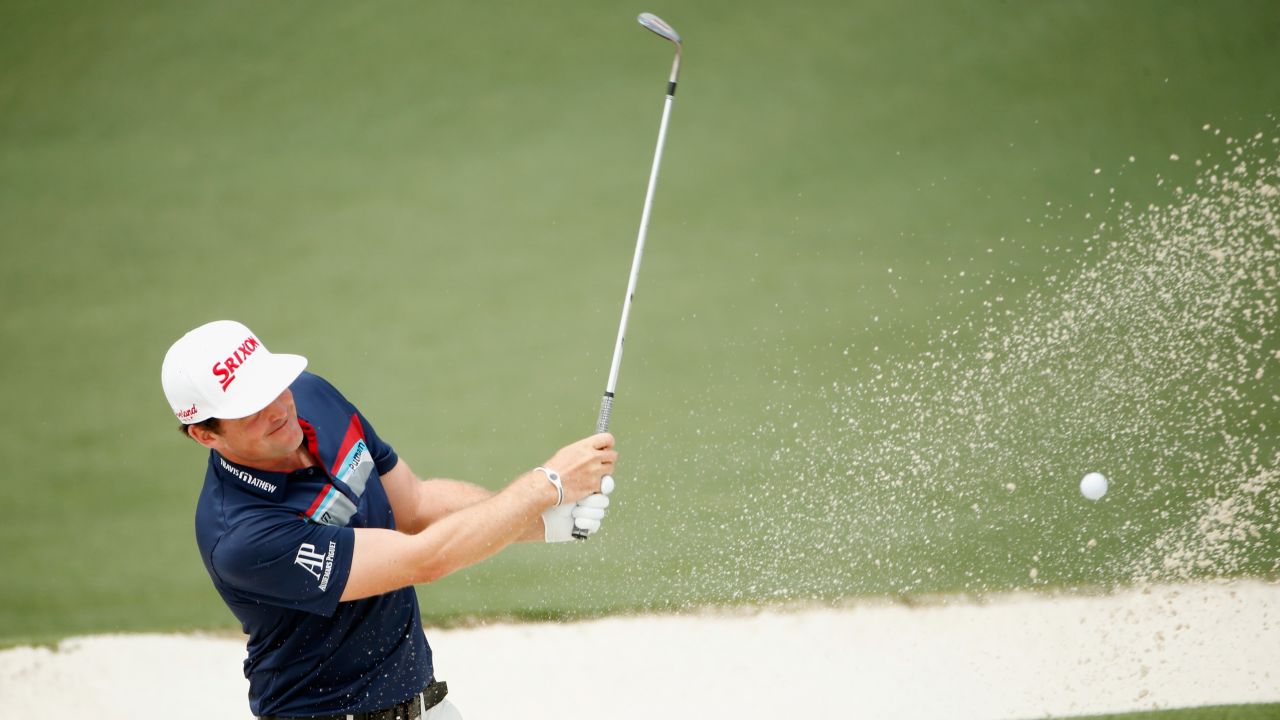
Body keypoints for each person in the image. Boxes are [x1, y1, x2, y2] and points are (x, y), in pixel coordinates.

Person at [161, 320, 615, 719]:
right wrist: (545, 484)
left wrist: (545, 522)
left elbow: (414, 506)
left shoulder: (314, 397)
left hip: (425, 703)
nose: (279, 409)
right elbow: (424, 559)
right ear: (205, 435)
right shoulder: (242, 535)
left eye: (272, 385)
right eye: (250, 407)